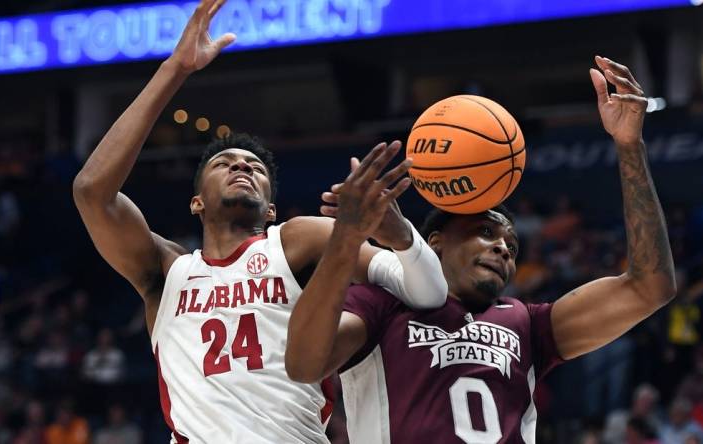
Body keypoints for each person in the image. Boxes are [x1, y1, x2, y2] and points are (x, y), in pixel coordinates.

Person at [72, 0, 446, 442]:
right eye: (224, 163)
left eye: (255, 167)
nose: (241, 167)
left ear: (270, 209)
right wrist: (175, 69)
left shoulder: (296, 239)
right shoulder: (166, 272)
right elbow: (91, 191)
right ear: (196, 203)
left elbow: (429, 292)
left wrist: (400, 237)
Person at [285, 55, 677, 443]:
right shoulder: (383, 304)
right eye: (486, 232)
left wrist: (629, 146)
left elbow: (649, 288)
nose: (504, 249)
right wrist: (347, 239)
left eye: (512, 245)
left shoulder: (528, 323)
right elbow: (306, 364)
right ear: (434, 242)